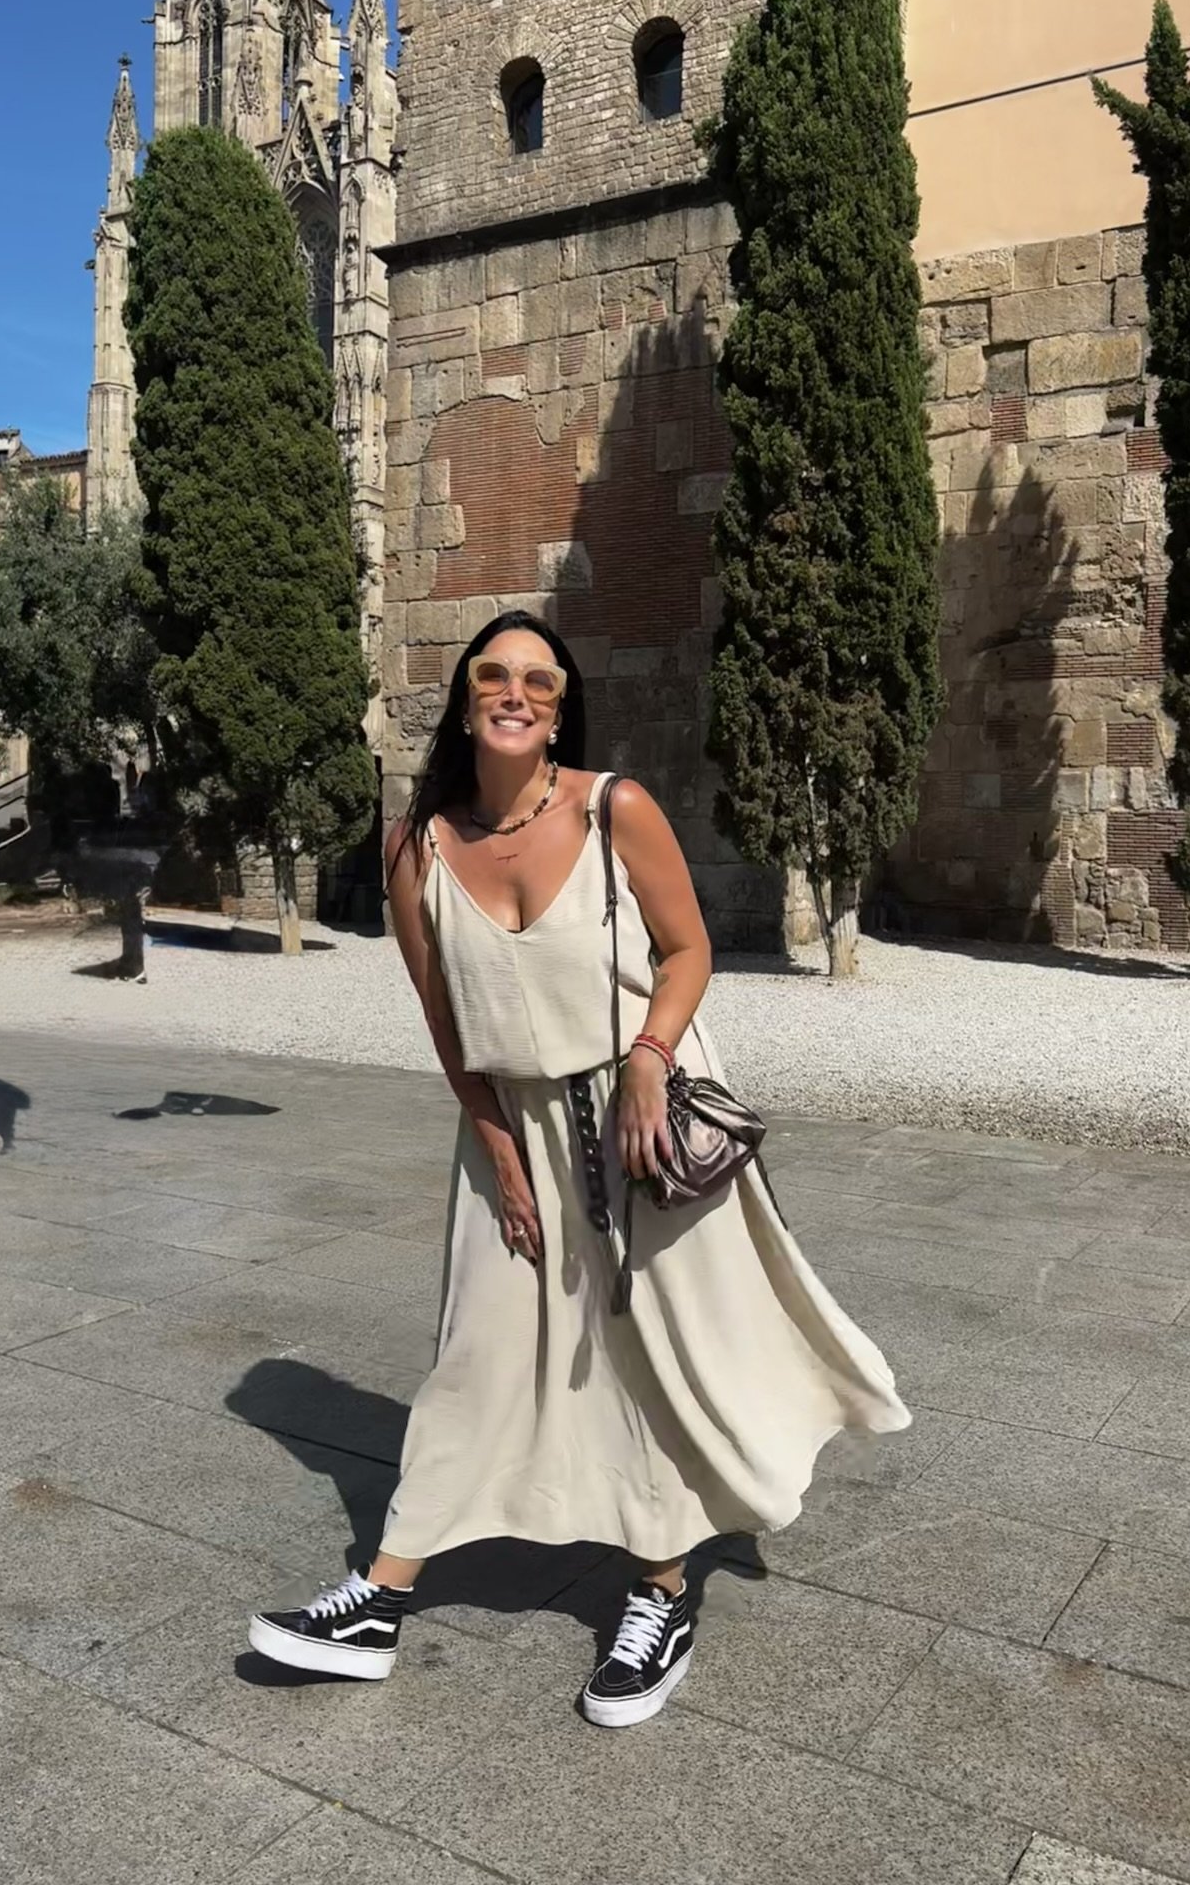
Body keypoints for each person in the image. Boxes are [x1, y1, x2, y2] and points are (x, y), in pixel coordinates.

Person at [248, 611, 910, 1727]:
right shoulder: (417, 843)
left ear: (560, 707)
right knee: (476, 1354)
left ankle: (660, 1592)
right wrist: (497, 1145)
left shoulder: (616, 808)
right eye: (494, 676)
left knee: (653, 1352)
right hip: (508, 1129)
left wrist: (650, 1057)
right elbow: (444, 1015)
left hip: (640, 1122)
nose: (516, 693)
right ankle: (381, 1594)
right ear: (464, 700)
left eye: (539, 682)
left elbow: (690, 950)